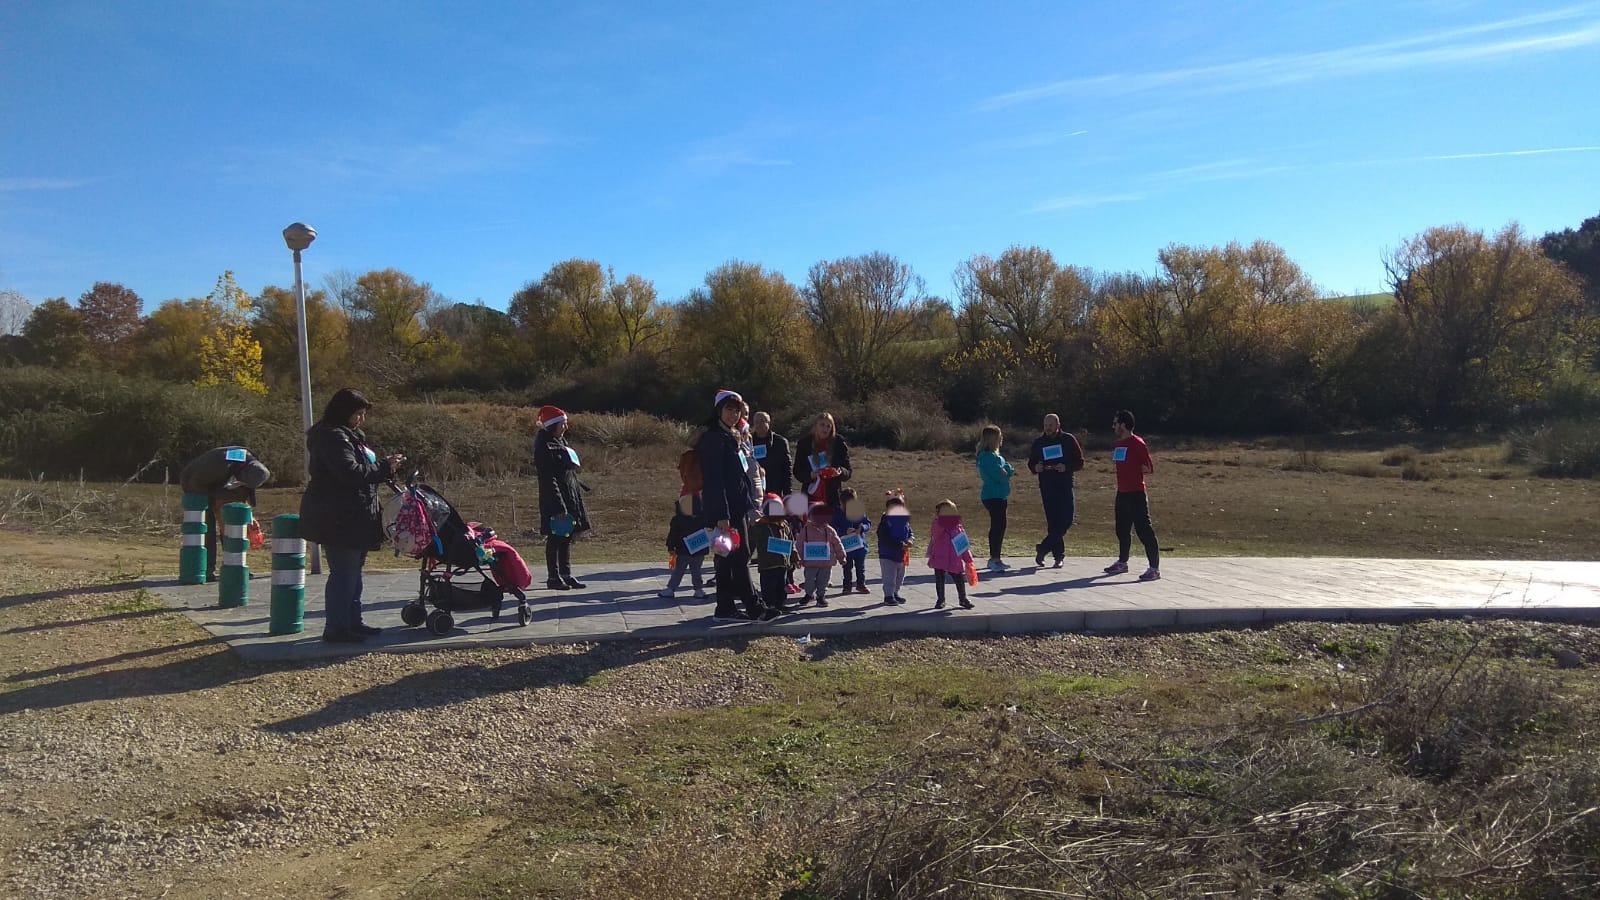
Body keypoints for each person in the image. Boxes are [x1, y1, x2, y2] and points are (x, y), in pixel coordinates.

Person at [298, 388, 404, 643]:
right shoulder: (332, 437)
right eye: (358, 413)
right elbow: (350, 472)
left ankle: (352, 621)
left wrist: (383, 468)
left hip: (355, 514)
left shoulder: (350, 436)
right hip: (338, 515)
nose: (361, 419)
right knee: (343, 573)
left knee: (354, 572)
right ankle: (336, 626)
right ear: (345, 412)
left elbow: (361, 469)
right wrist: (383, 468)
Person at [699, 389, 768, 621]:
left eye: (736, 410)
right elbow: (714, 480)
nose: (733, 414)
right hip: (725, 511)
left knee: (726, 557)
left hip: (737, 507)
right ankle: (754, 608)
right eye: (729, 409)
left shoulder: (732, 435)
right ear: (719, 410)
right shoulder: (713, 438)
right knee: (739, 557)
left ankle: (725, 608)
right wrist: (722, 514)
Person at [179, 446, 271, 583]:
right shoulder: (222, 464)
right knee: (205, 528)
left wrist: (247, 516)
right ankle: (205, 569)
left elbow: (240, 492)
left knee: (231, 521)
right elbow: (197, 482)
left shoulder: (246, 462)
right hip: (195, 482)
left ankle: (233, 564)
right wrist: (215, 503)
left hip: (217, 482)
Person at [533, 405, 590, 591]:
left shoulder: (560, 441)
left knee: (566, 537)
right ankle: (553, 577)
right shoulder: (544, 445)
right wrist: (558, 507)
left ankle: (566, 574)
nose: (566, 427)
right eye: (563, 424)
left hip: (570, 494)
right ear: (553, 425)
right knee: (555, 538)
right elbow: (548, 479)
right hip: (556, 499)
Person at [1105, 409, 1161, 582]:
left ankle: (1154, 568)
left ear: (1123, 425)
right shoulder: (1118, 444)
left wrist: (1134, 469)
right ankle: (1122, 562)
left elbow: (1148, 468)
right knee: (1122, 529)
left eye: (1116, 423)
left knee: (1144, 530)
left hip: (1136, 493)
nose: (1113, 426)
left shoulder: (1138, 443)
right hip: (1122, 493)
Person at [1028, 414, 1085, 569]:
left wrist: (1066, 467)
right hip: (1047, 487)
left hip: (1065, 485)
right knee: (1053, 524)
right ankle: (1058, 556)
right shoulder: (1039, 443)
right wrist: (1036, 468)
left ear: (1058, 425)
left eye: (1051, 424)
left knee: (1066, 520)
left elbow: (1080, 462)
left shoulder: (1068, 440)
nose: (1048, 428)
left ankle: (1044, 547)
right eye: (1045, 424)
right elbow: (1031, 463)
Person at [791, 412, 852, 517]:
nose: (825, 428)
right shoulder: (804, 443)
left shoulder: (839, 443)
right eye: (822, 425)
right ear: (816, 426)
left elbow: (848, 471)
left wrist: (840, 471)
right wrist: (810, 475)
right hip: (811, 495)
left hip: (832, 495)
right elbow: (797, 471)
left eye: (829, 426)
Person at [975, 424, 1016, 572]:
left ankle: (996, 557)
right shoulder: (987, 457)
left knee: (1000, 526)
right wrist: (1007, 471)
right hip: (993, 495)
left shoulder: (994, 456)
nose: (1001, 440)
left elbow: (1007, 470)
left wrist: (1006, 471)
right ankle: (994, 558)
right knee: (997, 526)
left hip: (999, 495)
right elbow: (1000, 475)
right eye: (999, 437)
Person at [750, 495, 798, 614]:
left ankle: (780, 605)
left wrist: (794, 557)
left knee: (781, 587)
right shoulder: (760, 525)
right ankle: (769, 606)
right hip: (767, 564)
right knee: (768, 587)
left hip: (783, 563)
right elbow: (751, 540)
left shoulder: (784, 524)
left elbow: (791, 541)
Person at [927, 499, 975, 610]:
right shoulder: (937, 524)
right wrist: (943, 524)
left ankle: (963, 599)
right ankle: (941, 600)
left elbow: (963, 545)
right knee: (939, 579)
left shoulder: (958, 527)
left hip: (954, 558)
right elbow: (935, 534)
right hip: (940, 557)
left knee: (959, 579)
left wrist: (968, 560)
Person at [797, 501, 847, 607]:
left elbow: (837, 543)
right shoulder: (805, 530)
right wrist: (798, 558)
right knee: (809, 580)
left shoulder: (829, 530)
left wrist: (841, 557)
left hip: (825, 562)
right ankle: (809, 594)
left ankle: (821, 596)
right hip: (810, 562)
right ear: (810, 516)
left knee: (823, 580)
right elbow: (800, 545)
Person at [659, 492, 708, 599]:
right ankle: (699, 590)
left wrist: (671, 547)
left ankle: (670, 589)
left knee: (679, 570)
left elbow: (673, 535)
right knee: (696, 571)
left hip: (683, 550)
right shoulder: (703, 518)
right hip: (699, 549)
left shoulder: (678, 520)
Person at [877, 490, 914, 606]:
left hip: (901, 554)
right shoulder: (885, 522)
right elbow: (884, 537)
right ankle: (888, 595)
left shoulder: (905, 522)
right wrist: (898, 544)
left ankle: (895, 592)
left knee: (900, 575)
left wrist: (910, 541)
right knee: (889, 576)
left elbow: (910, 533)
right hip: (887, 554)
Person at [835, 486, 871, 595]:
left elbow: (867, 523)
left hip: (859, 545)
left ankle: (861, 584)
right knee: (847, 567)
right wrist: (844, 531)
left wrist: (861, 528)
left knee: (860, 567)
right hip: (846, 546)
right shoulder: (837, 514)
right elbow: (833, 527)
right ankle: (847, 586)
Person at [749, 412, 793, 498]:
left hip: (775, 489)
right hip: (755, 490)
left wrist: (788, 493)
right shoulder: (749, 442)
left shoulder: (780, 442)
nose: (759, 424)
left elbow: (787, 469)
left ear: (768, 423)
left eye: (762, 421)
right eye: (756, 422)